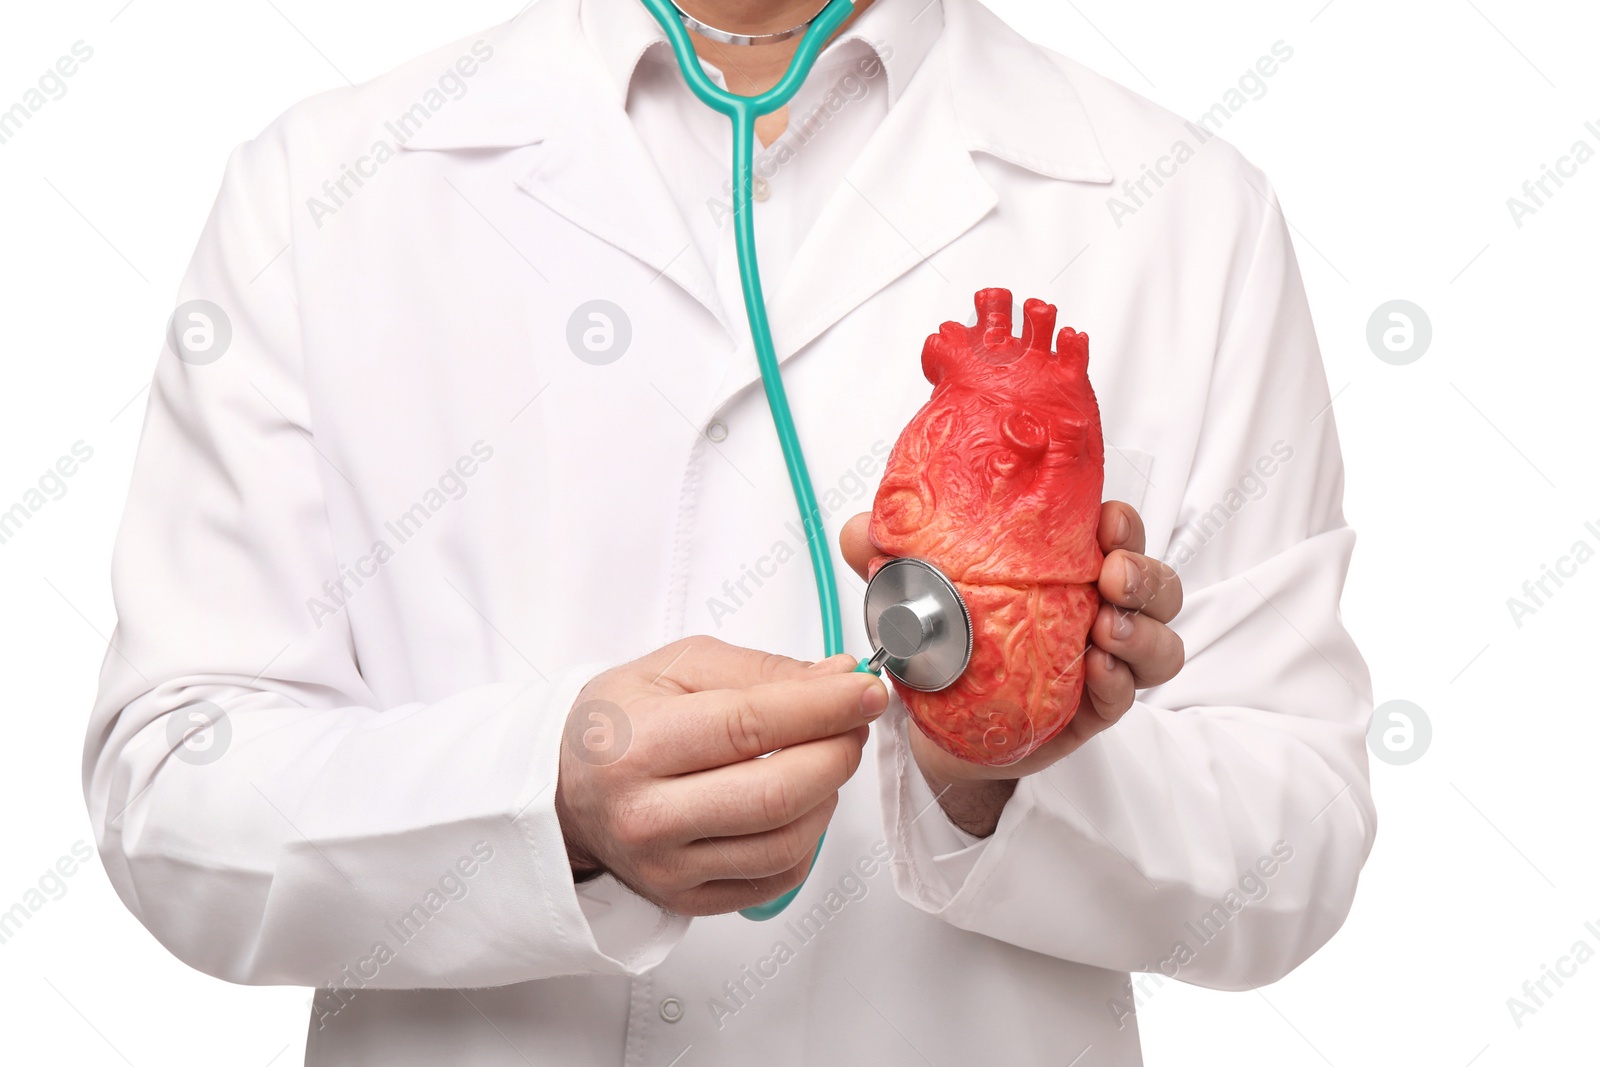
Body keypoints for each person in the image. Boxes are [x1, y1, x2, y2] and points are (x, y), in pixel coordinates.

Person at [84, 0, 1374, 1062]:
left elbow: (1297, 849)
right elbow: (173, 790)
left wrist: (996, 777)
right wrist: (550, 802)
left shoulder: (1182, 213)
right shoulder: (326, 191)